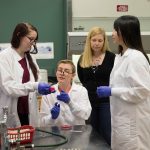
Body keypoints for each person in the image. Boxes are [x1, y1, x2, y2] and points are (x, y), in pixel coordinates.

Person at [97, 15, 150, 150]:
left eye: (115, 30)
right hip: (122, 121)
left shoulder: (135, 58)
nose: (112, 33)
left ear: (125, 32)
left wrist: (112, 91)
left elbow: (142, 90)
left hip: (133, 124)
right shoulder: (121, 57)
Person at [0, 22, 53, 128]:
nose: (33, 43)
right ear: (19, 35)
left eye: (35, 40)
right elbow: (8, 87)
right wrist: (34, 86)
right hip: (12, 111)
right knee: (13, 142)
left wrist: (41, 89)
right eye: (30, 39)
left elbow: (36, 82)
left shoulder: (31, 58)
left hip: (28, 112)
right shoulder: (4, 57)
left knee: (29, 141)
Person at [77, 26, 115, 145]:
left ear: (104, 42)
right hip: (88, 102)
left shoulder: (111, 58)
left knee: (106, 132)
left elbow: (115, 79)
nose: (97, 43)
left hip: (106, 102)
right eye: (94, 40)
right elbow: (83, 79)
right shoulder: (83, 58)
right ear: (89, 41)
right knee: (90, 133)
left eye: (100, 40)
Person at [40, 59, 91, 127]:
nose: (62, 73)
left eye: (66, 71)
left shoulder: (81, 91)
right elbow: (42, 121)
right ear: (56, 73)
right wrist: (52, 117)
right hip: (56, 132)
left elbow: (85, 115)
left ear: (73, 75)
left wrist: (70, 103)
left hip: (77, 132)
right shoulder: (48, 93)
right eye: (60, 70)